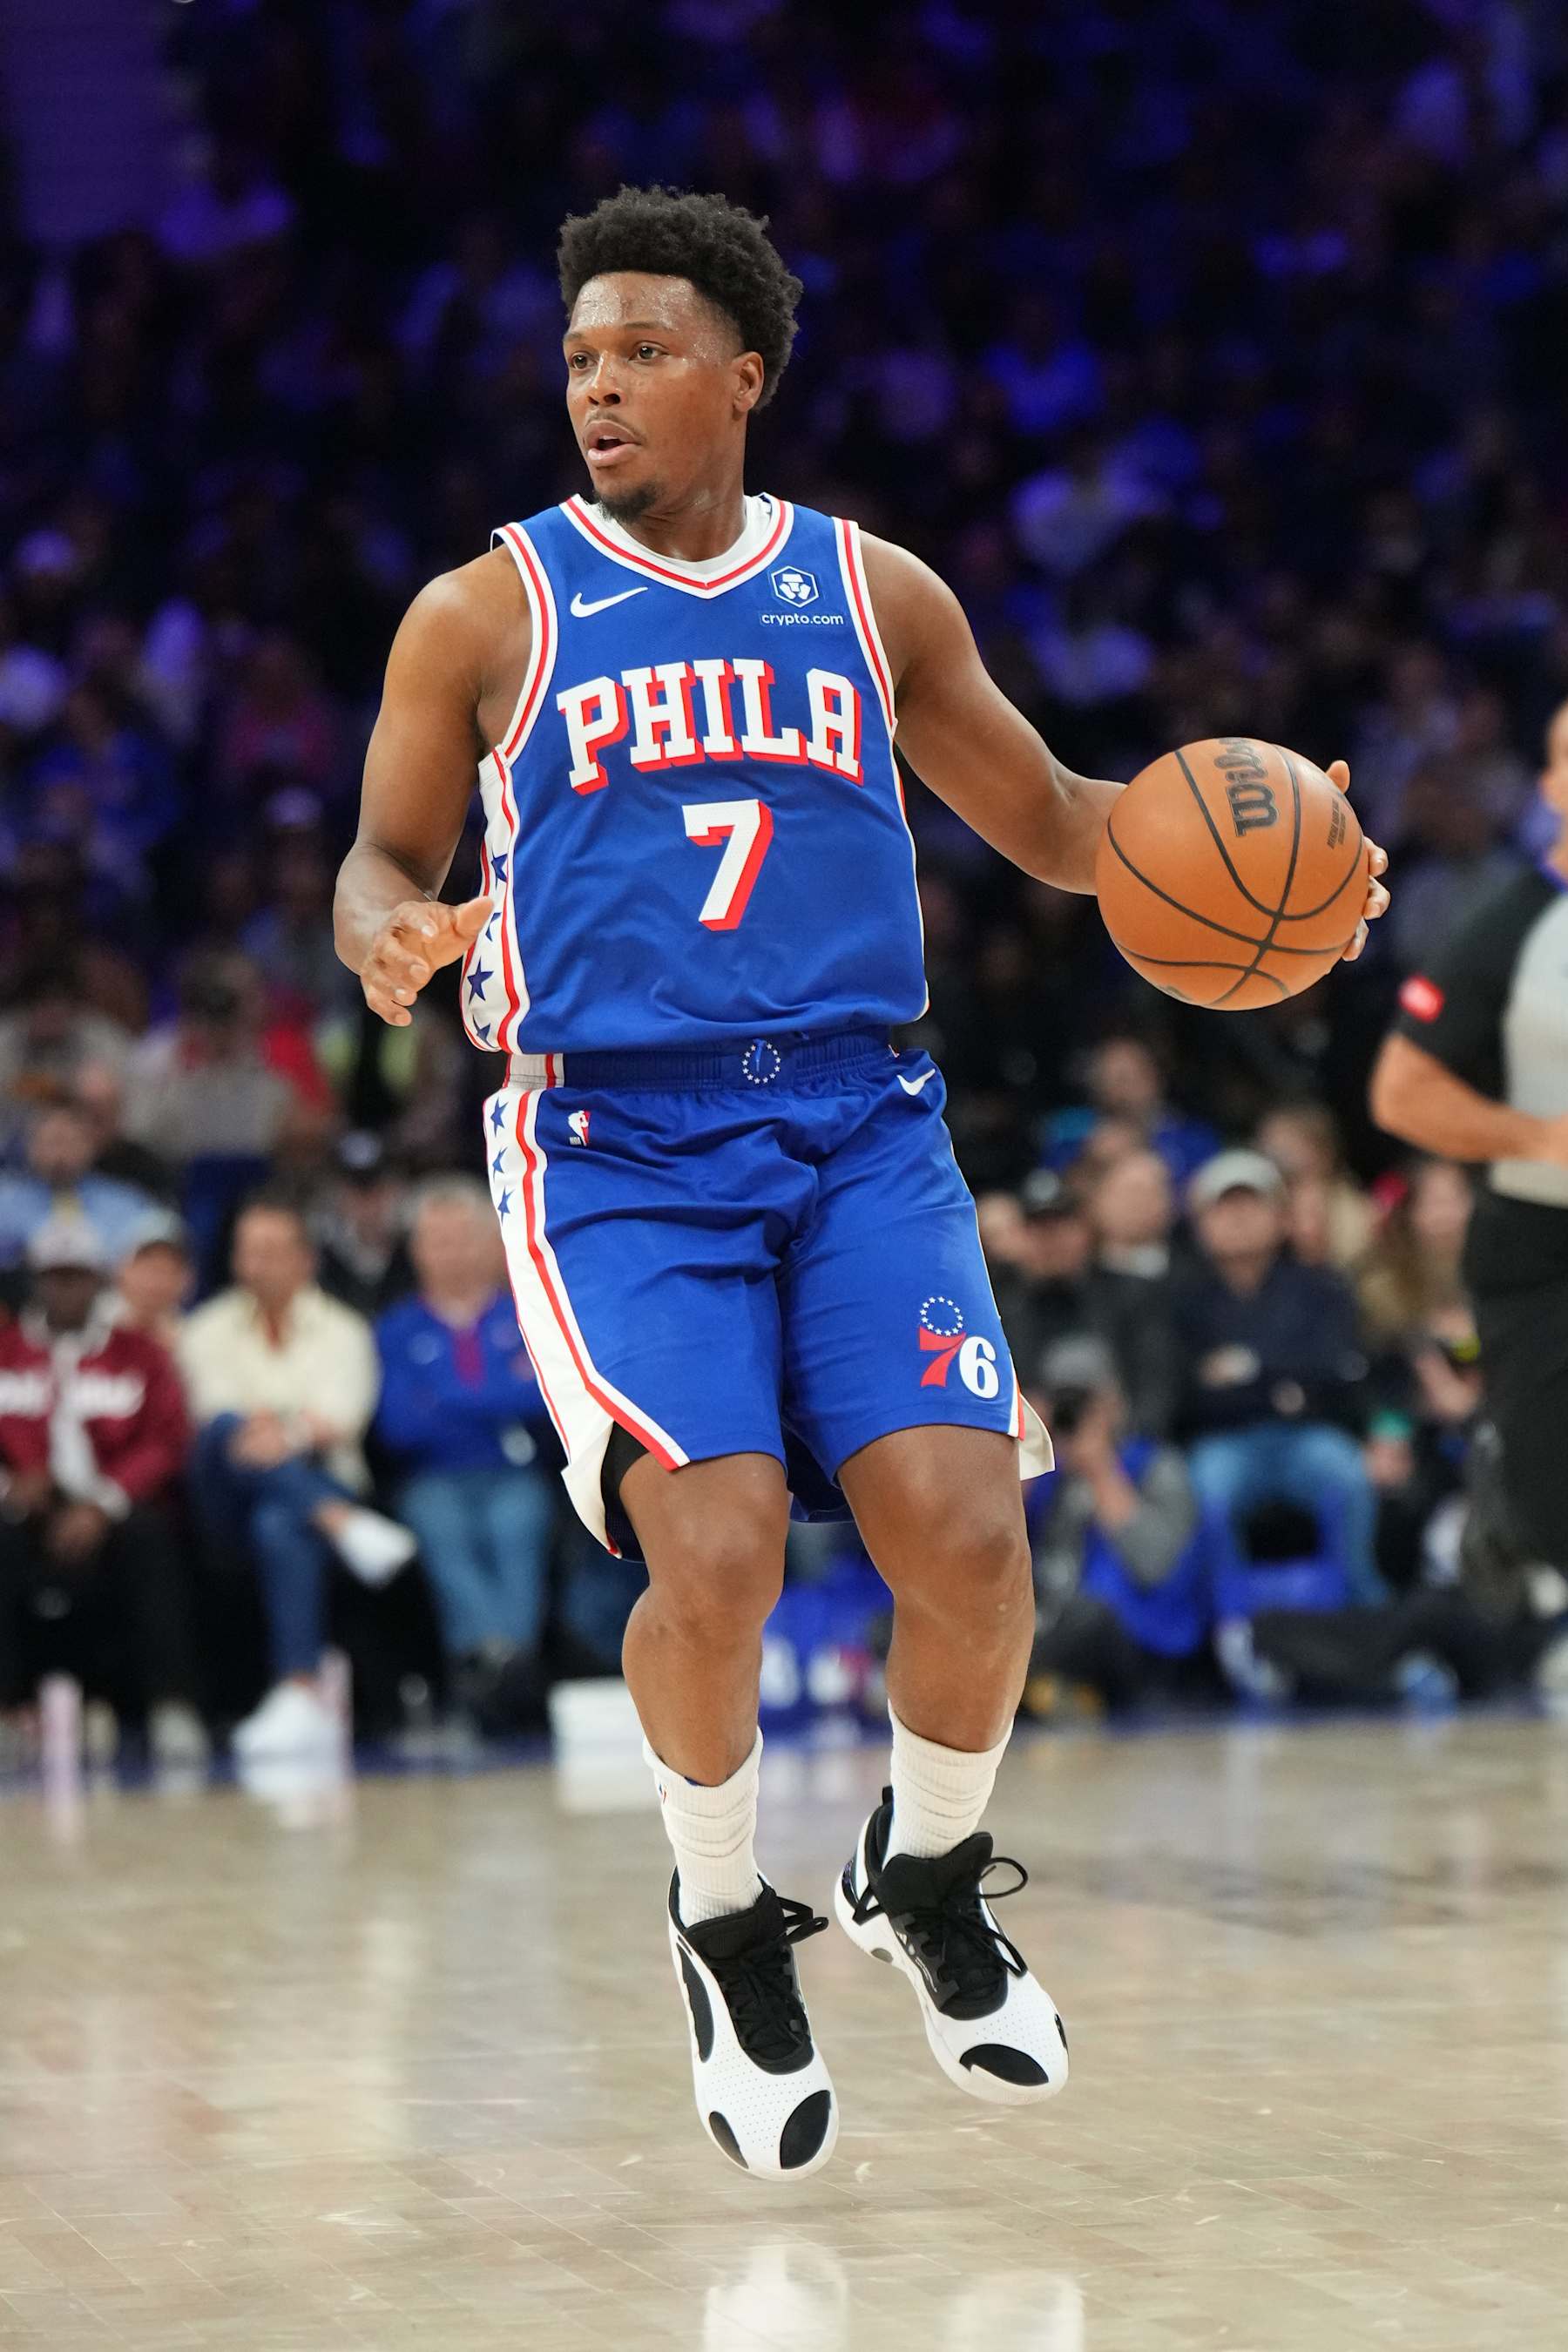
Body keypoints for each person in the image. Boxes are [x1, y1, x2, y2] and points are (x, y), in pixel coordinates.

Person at [333, 186, 1389, 2180]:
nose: (602, 385)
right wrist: (388, 930)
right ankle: (727, 1914)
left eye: (643, 350)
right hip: (614, 1141)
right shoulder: (484, 612)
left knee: (974, 1542)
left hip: (860, 1120)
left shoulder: (873, 595)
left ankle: (926, 1863)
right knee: (713, 1547)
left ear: (743, 373)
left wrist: (1306, 865)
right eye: (578, 357)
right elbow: (374, 862)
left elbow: (1078, 829)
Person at [1370, 696, 1568, 1574]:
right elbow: (1403, 1091)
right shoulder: (1509, 928)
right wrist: (1541, 1138)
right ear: (1555, 788)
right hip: (1543, 1258)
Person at [179, 1198, 416, 1759]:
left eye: (272, 1251)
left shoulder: (344, 1329)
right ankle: (343, 1525)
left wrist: (276, 1432)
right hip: (224, 1495)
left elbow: (340, 1420)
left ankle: (299, 1691)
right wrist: (285, 1427)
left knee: (281, 1522)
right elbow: (213, 1414)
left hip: (321, 1477)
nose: (257, 1263)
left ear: (305, 1260)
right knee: (224, 1433)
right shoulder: (205, 1329)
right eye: (247, 1250)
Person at [0, 1216, 203, 1762]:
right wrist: (11, 1483)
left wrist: (103, 1501)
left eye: (78, 1277)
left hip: (115, 1505)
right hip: (26, 1505)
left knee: (149, 1537)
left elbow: (166, 1439)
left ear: (99, 1280)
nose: (65, 1290)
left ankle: (171, 1705)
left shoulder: (140, 1353)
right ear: (36, 1281)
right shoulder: (7, 1350)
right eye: (54, 1277)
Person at [375, 1178, 558, 1730]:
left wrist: (446, 1398)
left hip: (515, 1475)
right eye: (438, 1239)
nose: (451, 1252)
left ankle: (490, 1665)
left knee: (518, 1527)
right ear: (417, 1251)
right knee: (443, 1531)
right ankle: (509, 1663)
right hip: (433, 1479)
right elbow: (398, 1426)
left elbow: (545, 1401)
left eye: (462, 1237)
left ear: (490, 1242)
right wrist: (496, 1402)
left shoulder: (529, 1314)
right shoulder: (397, 1327)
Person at [1174, 1150, 1381, 1602]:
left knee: (1348, 1475)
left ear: (1282, 1219)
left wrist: (1247, 1370)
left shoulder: (1322, 1288)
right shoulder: (1182, 1299)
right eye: (1224, 1207)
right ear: (1201, 1224)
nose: (1239, 1217)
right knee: (1206, 1492)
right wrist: (1282, 1385)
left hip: (1307, 1435)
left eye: (1252, 1203)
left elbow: (1339, 1373)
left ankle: (1364, 1607)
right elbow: (1185, 1395)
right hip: (1224, 1442)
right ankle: (1231, 1623)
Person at [1024, 1338, 1211, 1715]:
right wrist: (1026, 1451)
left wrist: (1101, 1471)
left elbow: (1154, 1567)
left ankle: (998, 1685)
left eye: (1081, 1403)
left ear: (1113, 1403)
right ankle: (1040, 1688)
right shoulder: (1046, 1477)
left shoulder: (1156, 1468)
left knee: (1094, 1617)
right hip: (1049, 1623)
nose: (1070, 1417)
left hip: (1130, 1637)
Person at [0, 1100, 159, 1275]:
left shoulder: (126, 1202)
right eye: (51, 1142)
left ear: (90, 1146)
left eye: (69, 1142)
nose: (59, 1155)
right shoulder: (6, 1203)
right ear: (31, 1147)